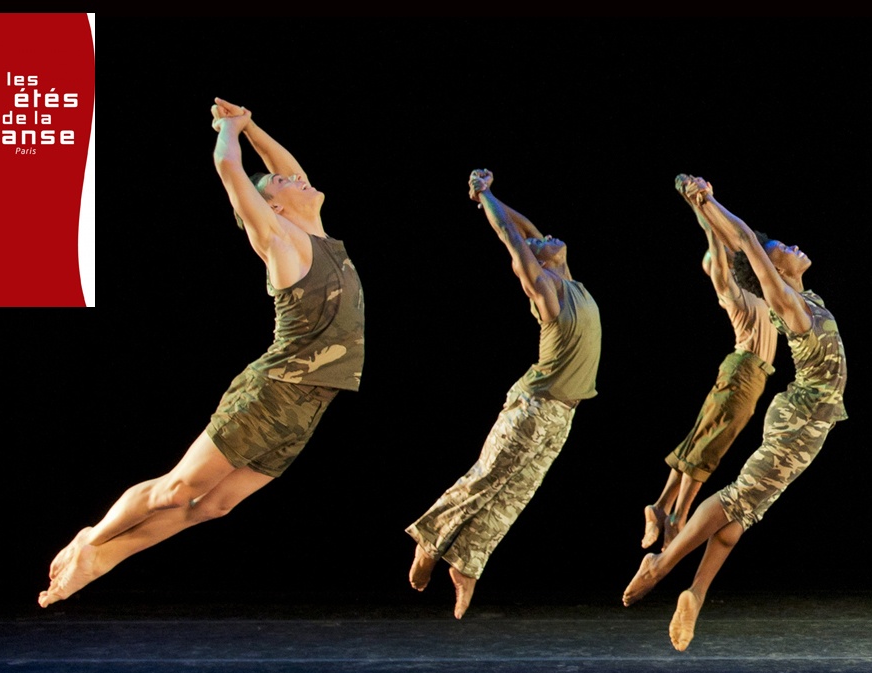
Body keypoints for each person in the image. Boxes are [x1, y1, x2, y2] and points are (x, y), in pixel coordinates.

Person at [39, 99, 366, 607]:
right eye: (284, 185)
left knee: (215, 505)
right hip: (274, 392)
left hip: (312, 401)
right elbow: (227, 166)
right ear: (272, 208)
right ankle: (93, 540)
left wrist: (254, 124)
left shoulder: (318, 232)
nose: (297, 178)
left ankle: (105, 555)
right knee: (177, 489)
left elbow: (288, 171)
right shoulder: (281, 239)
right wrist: (231, 131)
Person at [623, 175, 848, 652]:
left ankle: (696, 594)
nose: (792, 245)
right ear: (772, 269)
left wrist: (705, 210)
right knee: (737, 497)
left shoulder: (808, 298)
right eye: (782, 248)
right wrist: (706, 201)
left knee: (746, 513)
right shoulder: (787, 304)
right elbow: (746, 243)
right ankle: (660, 566)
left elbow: (745, 246)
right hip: (801, 415)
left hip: (816, 421)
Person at [404, 170, 602, 618]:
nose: (545, 236)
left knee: (515, 494)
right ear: (533, 261)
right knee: (488, 476)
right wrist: (485, 195)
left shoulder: (568, 277)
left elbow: (527, 229)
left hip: (564, 414)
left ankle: (467, 566)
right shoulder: (546, 287)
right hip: (535, 406)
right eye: (539, 242)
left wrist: (492, 198)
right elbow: (514, 237)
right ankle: (430, 542)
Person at [644, 177, 779, 551]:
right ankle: (676, 516)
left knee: (700, 437)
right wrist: (700, 207)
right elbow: (717, 243)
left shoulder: (758, 289)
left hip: (745, 372)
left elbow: (739, 239)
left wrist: (701, 200)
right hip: (745, 370)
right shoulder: (729, 288)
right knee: (710, 446)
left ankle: (658, 507)